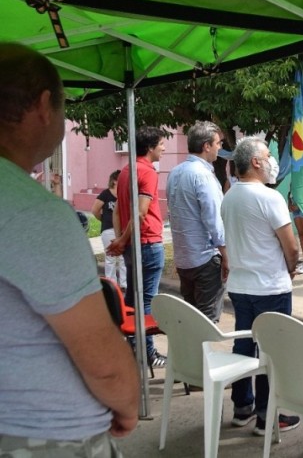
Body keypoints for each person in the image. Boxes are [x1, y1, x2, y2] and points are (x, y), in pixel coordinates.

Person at [0, 42, 139, 455]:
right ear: (45, 106)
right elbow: (102, 361)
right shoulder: (33, 212)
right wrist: (128, 404)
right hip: (45, 435)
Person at [221, 137, 302, 435]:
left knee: (244, 345)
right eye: (268, 155)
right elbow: (291, 247)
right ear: (255, 162)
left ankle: (243, 407)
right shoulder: (269, 198)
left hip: (240, 286)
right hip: (270, 288)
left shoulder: (229, 196)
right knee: (272, 351)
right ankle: (269, 416)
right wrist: (292, 267)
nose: (271, 161)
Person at [108, 126, 169, 369]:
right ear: (151, 147)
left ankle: (136, 349)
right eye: (162, 144)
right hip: (146, 243)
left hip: (134, 244)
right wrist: (122, 240)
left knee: (135, 298)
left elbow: (118, 211)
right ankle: (148, 353)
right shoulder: (148, 172)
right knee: (146, 301)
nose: (164, 148)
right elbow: (140, 212)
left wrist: (120, 239)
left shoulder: (125, 171)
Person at [166, 121, 228, 323]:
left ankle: (192, 355)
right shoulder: (202, 175)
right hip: (204, 259)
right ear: (206, 146)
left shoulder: (175, 172)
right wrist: (226, 255)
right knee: (207, 323)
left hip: (185, 259)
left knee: (192, 322)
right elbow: (214, 220)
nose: (220, 147)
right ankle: (201, 356)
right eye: (218, 143)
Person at [93, 170, 127, 289]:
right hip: (109, 229)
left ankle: (124, 283)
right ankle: (112, 283)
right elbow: (95, 210)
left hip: (123, 229)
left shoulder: (125, 193)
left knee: (124, 257)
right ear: (114, 181)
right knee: (111, 257)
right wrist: (103, 219)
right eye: (121, 178)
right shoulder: (105, 194)